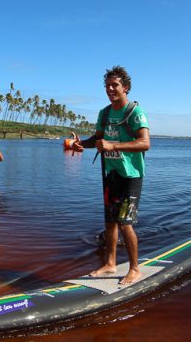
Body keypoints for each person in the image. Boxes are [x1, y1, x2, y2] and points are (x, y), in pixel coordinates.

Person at [72, 66, 150, 285]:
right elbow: (97, 141)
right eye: (107, 85)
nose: (110, 89)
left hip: (131, 176)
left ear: (125, 87)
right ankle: (110, 263)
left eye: (114, 85)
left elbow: (145, 143)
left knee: (125, 223)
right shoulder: (104, 114)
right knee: (110, 222)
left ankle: (135, 268)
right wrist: (81, 144)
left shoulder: (135, 112)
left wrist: (113, 144)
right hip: (111, 173)